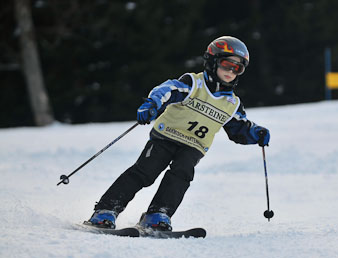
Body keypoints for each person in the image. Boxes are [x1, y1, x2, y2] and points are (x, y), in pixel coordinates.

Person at [85, 36, 270, 231]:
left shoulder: (232, 104)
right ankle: (106, 210)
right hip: (166, 137)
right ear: (213, 62)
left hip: (194, 147)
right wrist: (152, 104)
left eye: (237, 68)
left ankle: (158, 214)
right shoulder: (193, 84)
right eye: (226, 64)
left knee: (181, 176)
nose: (230, 72)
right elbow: (167, 90)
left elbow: (239, 128)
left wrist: (256, 133)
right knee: (144, 172)